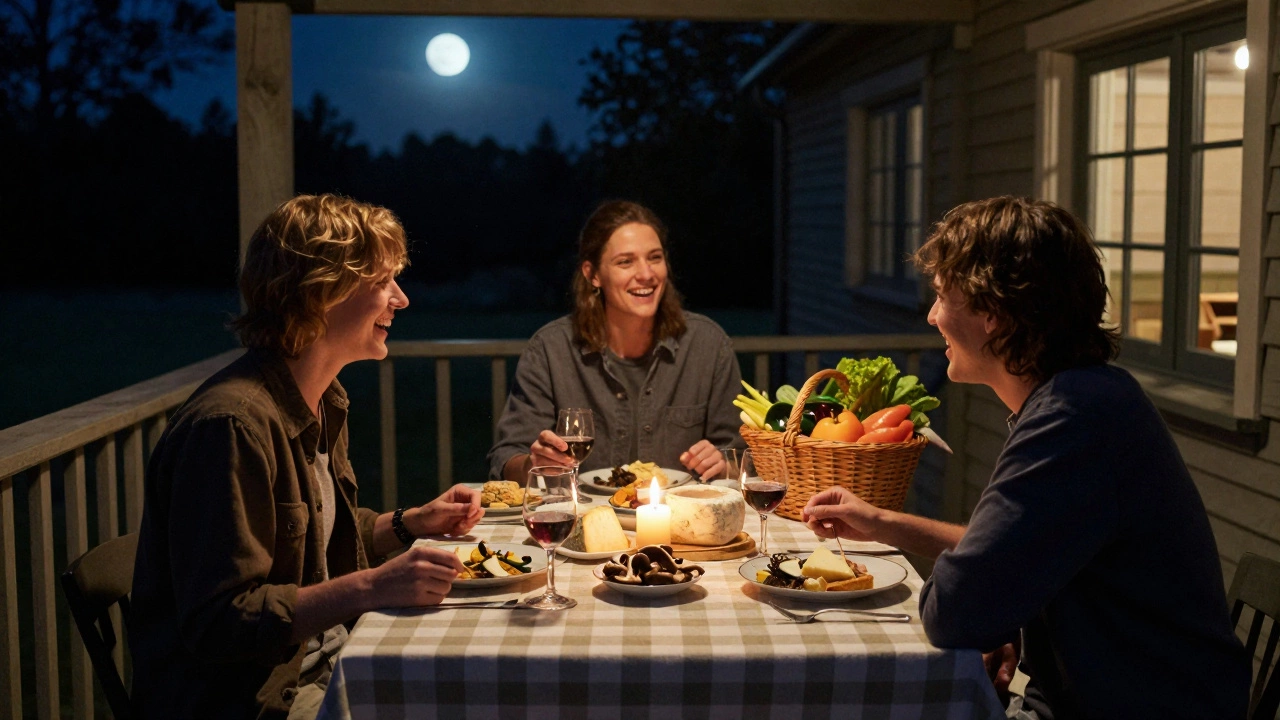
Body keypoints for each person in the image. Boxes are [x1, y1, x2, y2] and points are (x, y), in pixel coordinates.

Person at [802, 197, 1250, 719]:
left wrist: (997, 606)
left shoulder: (1074, 419)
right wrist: (883, 523)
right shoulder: (1089, 398)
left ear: (993, 312)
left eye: (943, 296)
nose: (931, 315)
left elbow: (955, 612)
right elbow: (1010, 552)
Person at [130, 194, 484, 720]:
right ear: (322, 291)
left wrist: (411, 523)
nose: (401, 299)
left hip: (333, 666)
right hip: (263, 700)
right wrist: (371, 586)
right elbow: (220, 622)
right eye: (383, 281)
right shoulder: (232, 426)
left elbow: (312, 544)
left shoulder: (322, 399)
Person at [487, 200, 744, 482]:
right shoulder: (551, 350)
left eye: (655, 257)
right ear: (593, 274)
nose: (646, 274)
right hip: (582, 519)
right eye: (625, 262)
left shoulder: (708, 344)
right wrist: (532, 464)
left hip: (683, 520)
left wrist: (723, 462)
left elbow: (740, 456)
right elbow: (506, 457)